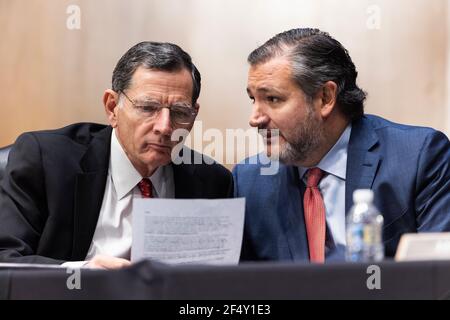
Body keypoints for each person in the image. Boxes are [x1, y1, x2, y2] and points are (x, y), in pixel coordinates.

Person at [0, 42, 233, 268]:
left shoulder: (212, 182)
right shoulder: (47, 160)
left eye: (180, 112)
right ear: (112, 108)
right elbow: (6, 259)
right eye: (148, 108)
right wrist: (82, 273)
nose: (165, 127)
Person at [233, 28, 450, 263]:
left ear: (325, 97)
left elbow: (438, 277)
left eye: (273, 99)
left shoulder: (418, 156)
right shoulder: (249, 181)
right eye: (253, 99)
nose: (254, 118)